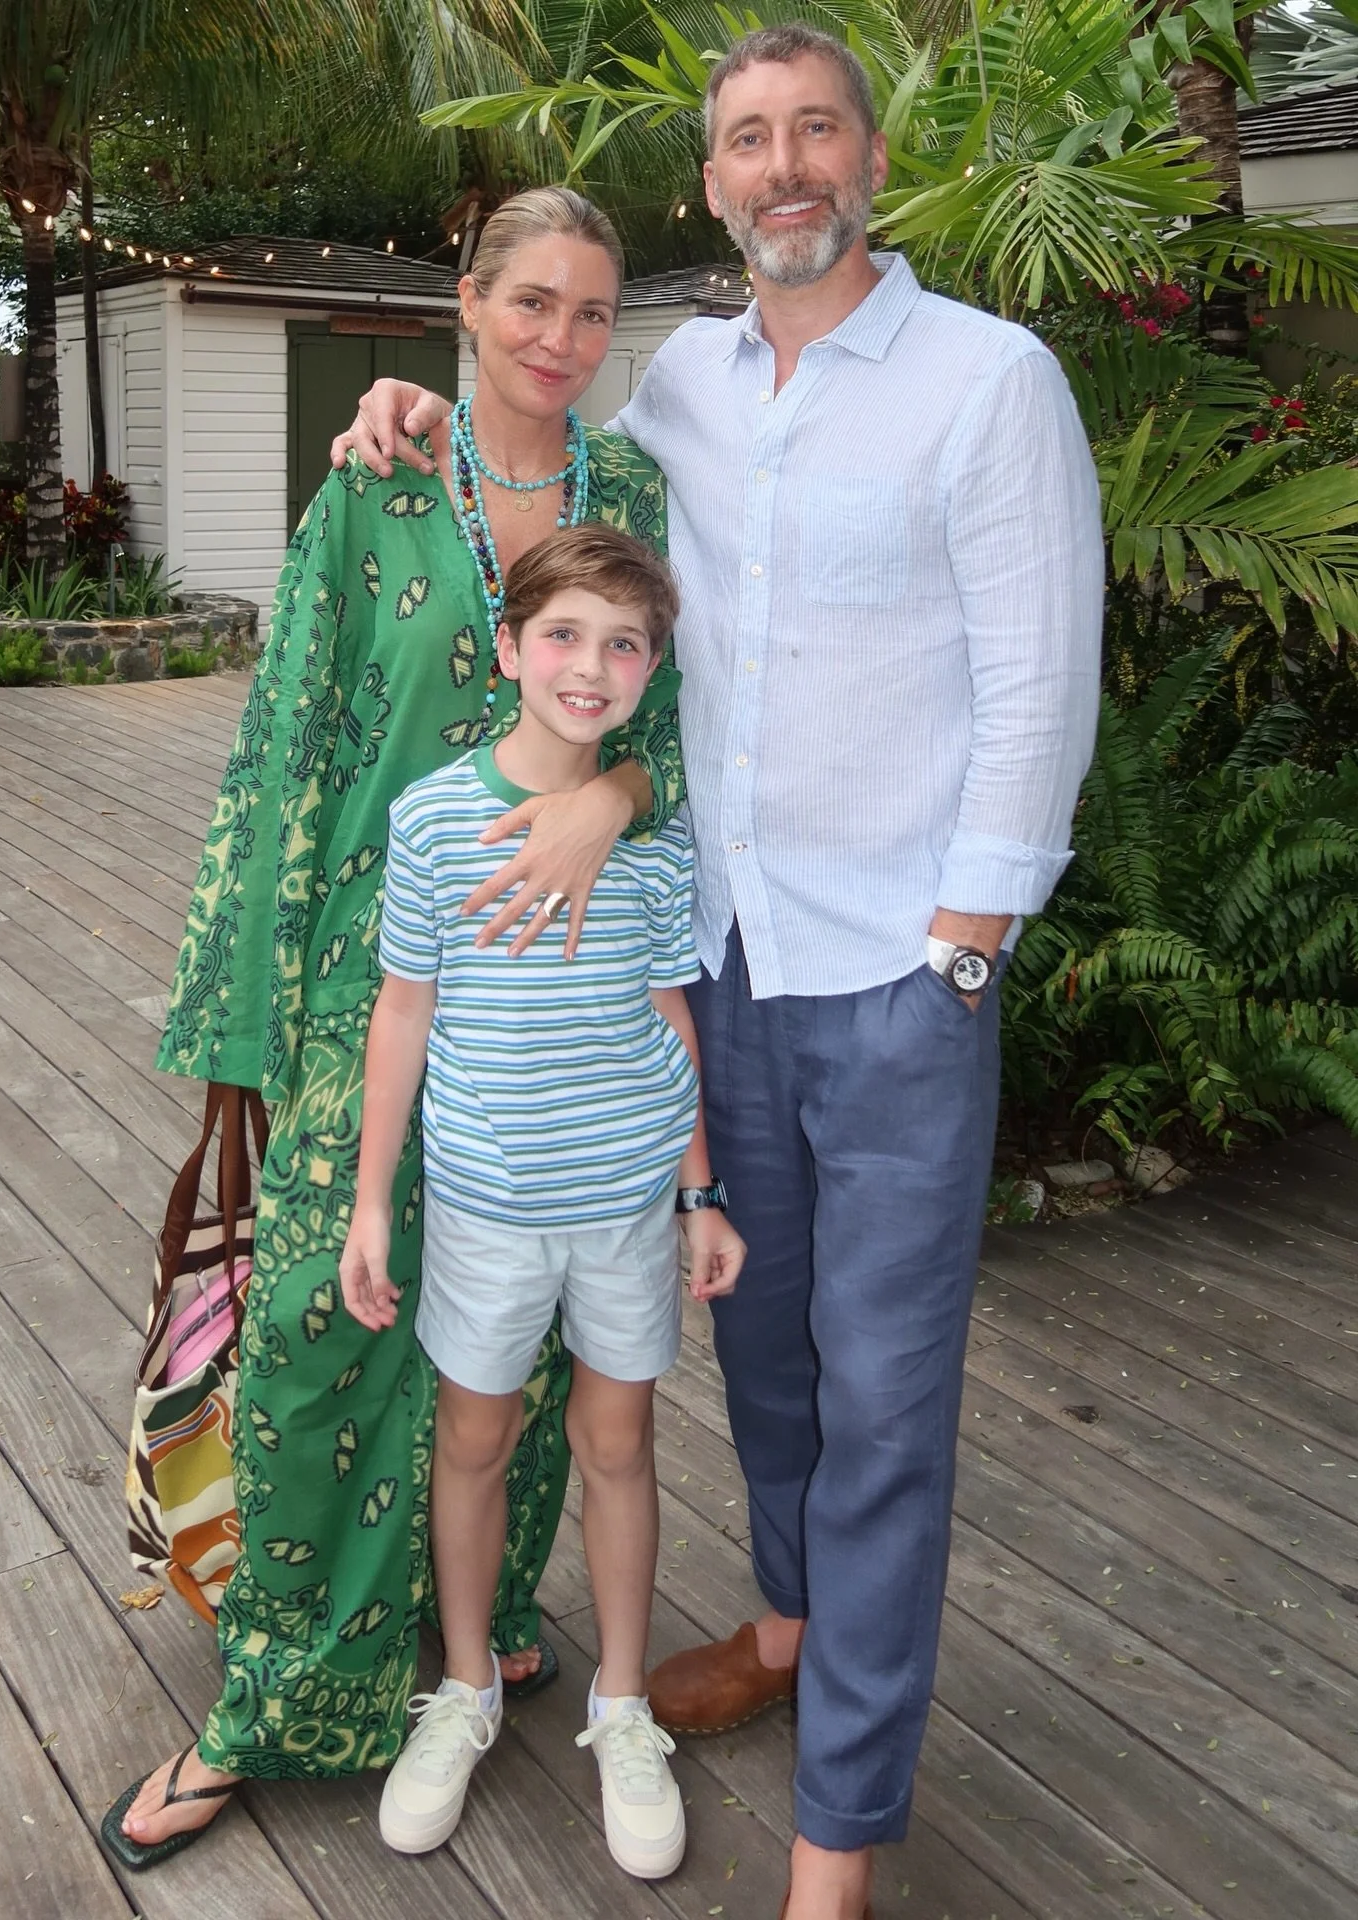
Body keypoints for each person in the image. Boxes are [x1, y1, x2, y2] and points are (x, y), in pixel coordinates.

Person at [335, 23, 1105, 1919]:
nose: (783, 168)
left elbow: (1039, 680)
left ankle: (836, 1840)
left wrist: (966, 941)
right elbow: (547, 486)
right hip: (718, 973)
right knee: (759, 1352)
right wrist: (409, 415)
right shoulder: (676, 390)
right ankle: (778, 1635)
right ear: (713, 182)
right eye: (747, 140)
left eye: (814, 131)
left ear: (870, 155)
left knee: (886, 1395)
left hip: (900, 979)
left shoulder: (988, 383)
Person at [104, 186, 687, 1871]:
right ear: (465, 301)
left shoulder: (629, 487)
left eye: (591, 313)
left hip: (565, 1022)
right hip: (387, 990)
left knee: (522, 1357)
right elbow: (287, 746)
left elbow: (681, 718)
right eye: (532, 305)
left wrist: (618, 797)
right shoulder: (370, 481)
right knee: (322, 1331)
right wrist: (251, 1011)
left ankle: (476, 1641)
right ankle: (266, 1701)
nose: (561, 341)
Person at [341, 523, 745, 1877]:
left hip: (627, 1203)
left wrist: (703, 1194)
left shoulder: (654, 845)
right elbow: (403, 1013)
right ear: (510, 648)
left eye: (624, 643)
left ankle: (623, 1707)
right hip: (482, 1208)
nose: (593, 665)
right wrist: (372, 1203)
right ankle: (465, 1687)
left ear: (651, 669)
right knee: (473, 1441)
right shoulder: (434, 820)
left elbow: (668, 1015)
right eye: (564, 635)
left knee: (618, 1444)